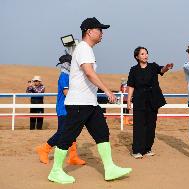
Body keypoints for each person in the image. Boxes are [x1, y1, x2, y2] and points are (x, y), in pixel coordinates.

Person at [47, 17, 132, 184]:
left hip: (90, 103)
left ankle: (110, 169)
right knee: (67, 136)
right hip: (79, 103)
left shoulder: (85, 49)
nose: (102, 33)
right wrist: (107, 90)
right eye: (100, 30)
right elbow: (89, 72)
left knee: (102, 133)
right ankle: (55, 171)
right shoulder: (84, 48)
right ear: (89, 31)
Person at [35, 54, 85, 165]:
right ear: (67, 64)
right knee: (62, 132)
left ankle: (73, 156)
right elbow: (66, 93)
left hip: (70, 108)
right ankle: (44, 149)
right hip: (64, 109)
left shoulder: (69, 76)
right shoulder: (64, 76)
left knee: (72, 132)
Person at [127, 46, 173, 159]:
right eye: (142, 54)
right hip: (139, 100)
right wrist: (128, 100)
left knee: (151, 125)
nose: (145, 55)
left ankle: (148, 148)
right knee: (139, 125)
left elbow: (161, 70)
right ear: (137, 57)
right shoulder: (133, 70)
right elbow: (131, 86)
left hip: (153, 99)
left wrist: (166, 67)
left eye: (146, 53)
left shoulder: (153, 66)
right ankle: (137, 150)